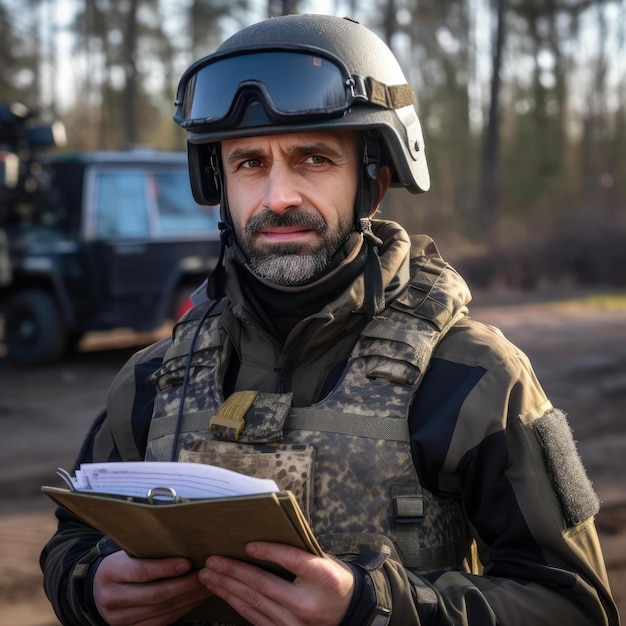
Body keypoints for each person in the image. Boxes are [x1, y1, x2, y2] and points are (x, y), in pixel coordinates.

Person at [41, 13, 620, 626]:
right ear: (219, 181)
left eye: (312, 158)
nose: (277, 196)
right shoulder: (151, 381)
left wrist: (378, 609)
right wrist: (90, 585)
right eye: (248, 164)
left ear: (374, 177)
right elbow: (70, 541)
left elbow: (575, 606)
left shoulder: (476, 379)